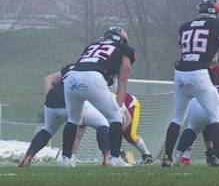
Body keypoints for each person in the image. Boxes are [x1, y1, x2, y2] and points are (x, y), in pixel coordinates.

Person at [162, 0, 219, 167]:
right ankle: (218, 158)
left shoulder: (185, 26)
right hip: (198, 73)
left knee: (177, 117)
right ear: (217, 11)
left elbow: (196, 49)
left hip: (180, 72)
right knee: (215, 115)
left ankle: (167, 158)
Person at [62, 26, 136, 167]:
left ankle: (66, 159)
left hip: (71, 78)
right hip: (93, 78)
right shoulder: (124, 49)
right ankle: (115, 158)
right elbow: (123, 77)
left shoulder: (92, 46)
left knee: (73, 119)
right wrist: (119, 105)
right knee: (116, 116)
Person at [18, 66, 108, 167]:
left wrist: (50, 100)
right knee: (102, 123)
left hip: (51, 102)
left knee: (47, 129)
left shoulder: (70, 67)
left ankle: (28, 156)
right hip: (72, 101)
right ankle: (106, 157)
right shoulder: (94, 70)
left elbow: (46, 80)